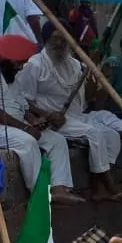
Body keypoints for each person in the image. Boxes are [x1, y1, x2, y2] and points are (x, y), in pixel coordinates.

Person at [17, 27, 122, 201]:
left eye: (64, 39)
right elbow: (24, 100)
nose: (60, 43)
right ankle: (110, 186)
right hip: (51, 120)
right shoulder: (35, 65)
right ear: (46, 40)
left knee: (112, 135)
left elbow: (89, 97)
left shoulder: (75, 64)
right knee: (94, 133)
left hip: (76, 117)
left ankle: (97, 188)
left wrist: (93, 69)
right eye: (55, 39)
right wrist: (47, 114)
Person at [0, 45, 82, 204]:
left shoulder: (13, 79)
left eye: (21, 63)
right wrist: (25, 128)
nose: (19, 67)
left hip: (17, 125)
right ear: (4, 61)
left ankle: (59, 189)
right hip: (4, 127)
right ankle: (40, 194)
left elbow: (22, 107)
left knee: (56, 140)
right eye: (16, 63)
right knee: (28, 142)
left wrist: (35, 122)